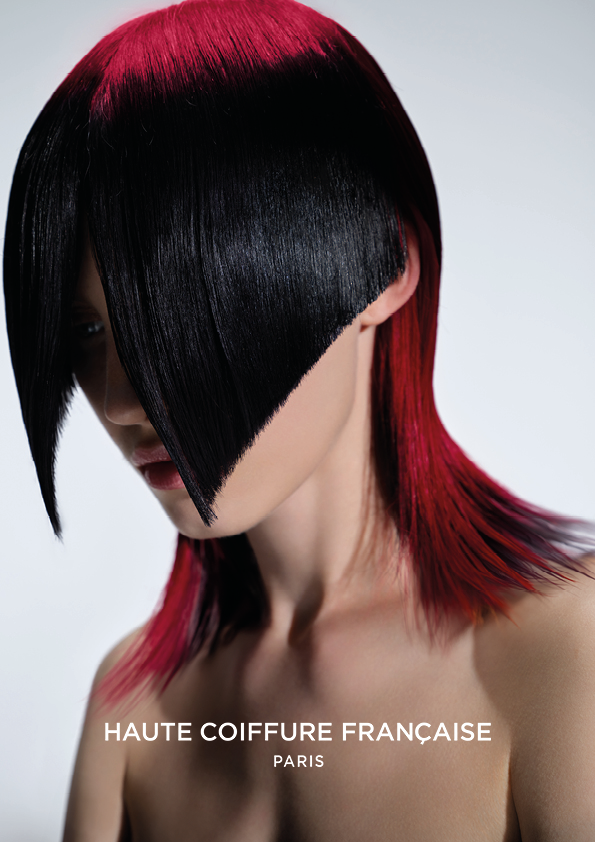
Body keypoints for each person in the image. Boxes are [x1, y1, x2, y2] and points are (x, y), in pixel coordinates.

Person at [3, 0, 595, 838]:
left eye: (180, 311)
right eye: (89, 332)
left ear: (382, 265)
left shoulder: (566, 652)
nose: (122, 400)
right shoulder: (133, 710)